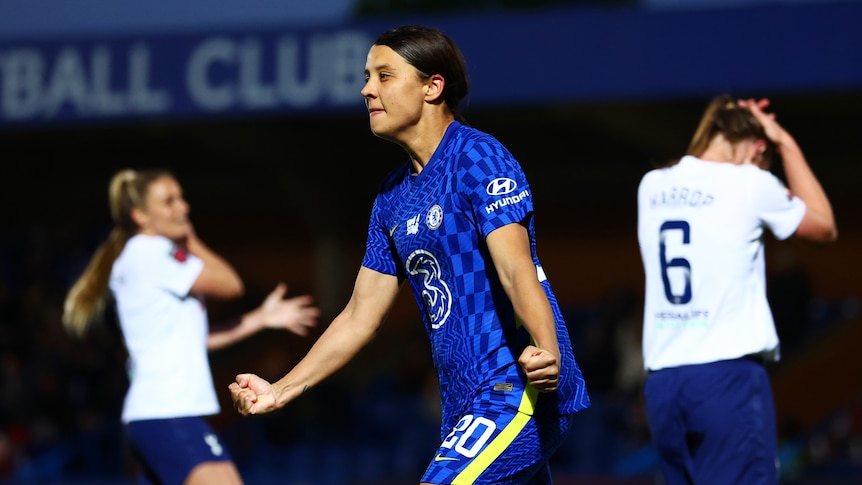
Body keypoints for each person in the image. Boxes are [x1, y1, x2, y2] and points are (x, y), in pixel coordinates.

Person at [229, 24, 590, 484]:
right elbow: (360, 316)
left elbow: (517, 271)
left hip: (515, 388)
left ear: (432, 86)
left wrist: (547, 351)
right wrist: (279, 391)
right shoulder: (391, 199)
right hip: (461, 405)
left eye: (384, 76)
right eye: (366, 77)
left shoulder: (478, 157)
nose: (366, 89)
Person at [62, 168, 320, 485]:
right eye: (169, 201)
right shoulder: (149, 252)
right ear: (140, 215)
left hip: (155, 416)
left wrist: (260, 319)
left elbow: (193, 339)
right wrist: (191, 239)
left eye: (181, 198)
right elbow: (231, 285)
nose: (183, 208)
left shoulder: (146, 256)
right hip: (166, 413)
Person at [636, 95, 838, 484]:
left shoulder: (652, 185)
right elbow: (824, 226)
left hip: (664, 385)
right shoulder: (750, 182)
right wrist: (786, 142)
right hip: (726, 379)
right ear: (758, 147)